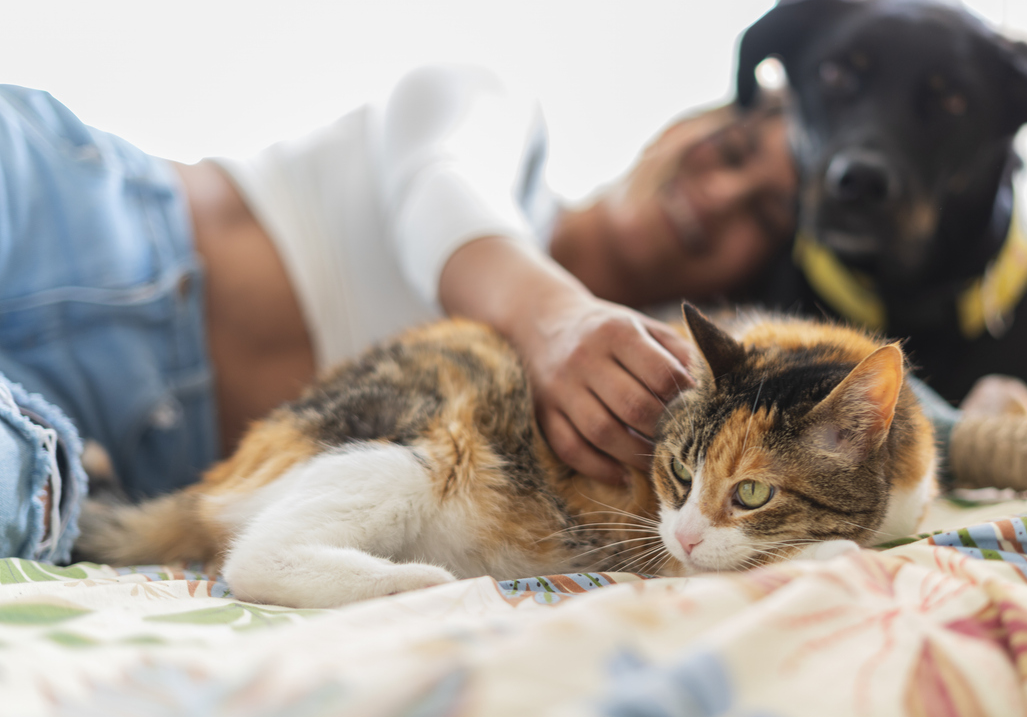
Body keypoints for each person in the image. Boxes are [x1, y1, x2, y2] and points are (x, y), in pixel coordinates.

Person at [0, 66, 797, 562]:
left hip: (73, 434)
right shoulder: (497, 121)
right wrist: (557, 321)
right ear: (676, 127)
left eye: (762, 215)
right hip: (66, 211)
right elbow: (440, 188)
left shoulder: (665, 417)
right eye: (730, 151)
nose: (720, 195)